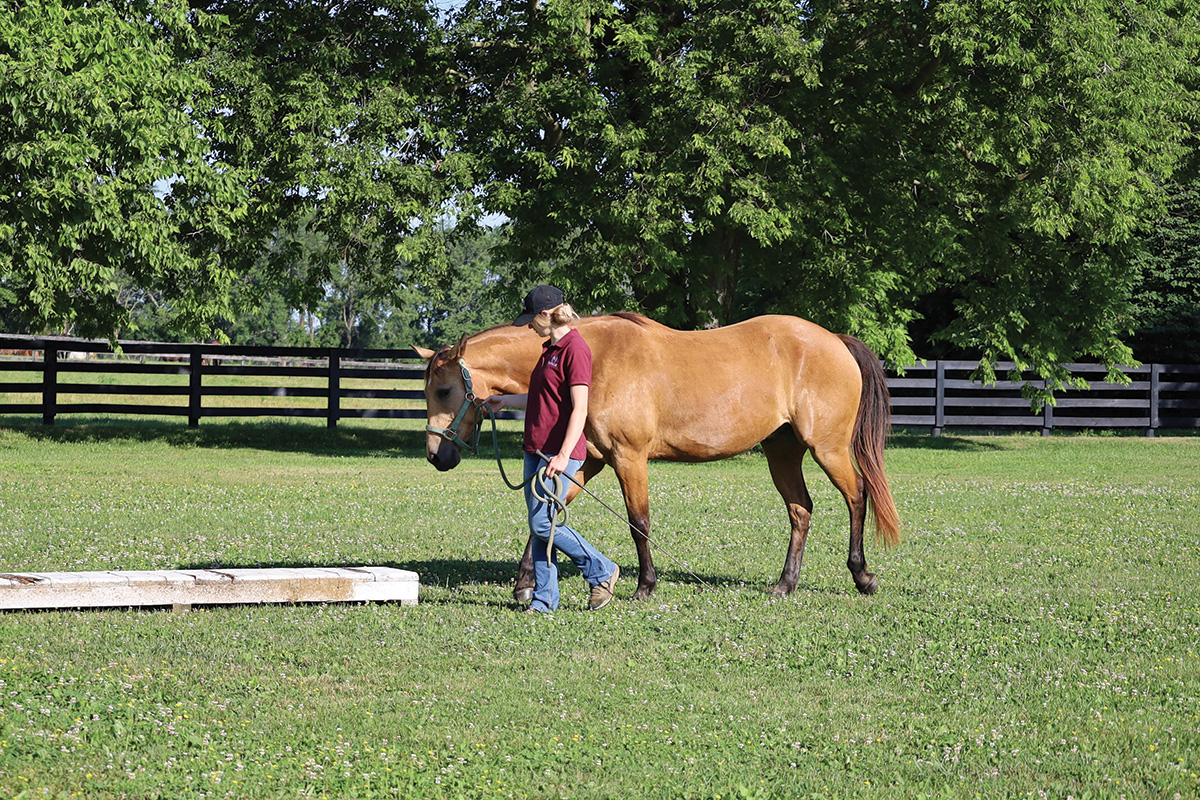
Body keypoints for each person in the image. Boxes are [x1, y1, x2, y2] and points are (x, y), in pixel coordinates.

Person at [482, 285, 620, 614]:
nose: (529, 326)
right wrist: (505, 400)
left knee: (544, 525)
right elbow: (542, 398)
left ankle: (602, 569)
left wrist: (562, 454)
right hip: (536, 448)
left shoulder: (575, 349)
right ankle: (544, 600)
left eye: (532, 319)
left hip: (558, 452)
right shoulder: (550, 349)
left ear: (547, 314)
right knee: (539, 526)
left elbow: (579, 409)